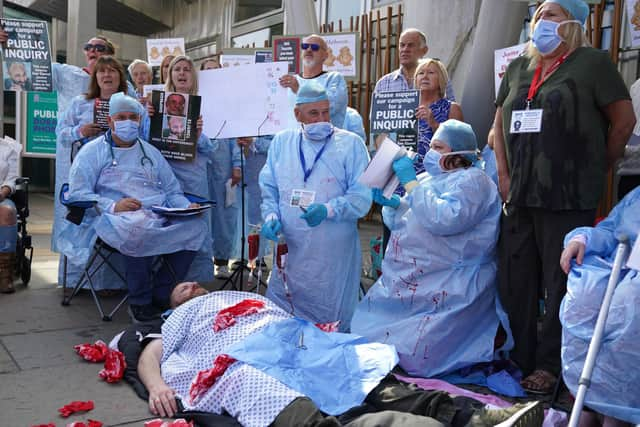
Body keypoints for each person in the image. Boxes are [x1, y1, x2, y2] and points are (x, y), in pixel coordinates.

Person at [137, 285, 543, 427]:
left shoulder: (244, 297)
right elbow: (150, 355)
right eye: (180, 290)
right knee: (264, 392)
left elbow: (286, 318)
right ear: (173, 306)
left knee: (362, 375)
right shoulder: (182, 320)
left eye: (192, 284)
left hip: (287, 338)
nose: (188, 286)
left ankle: (477, 417)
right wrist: (156, 386)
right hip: (240, 359)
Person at [493, 0, 636, 394]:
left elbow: (624, 122)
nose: (541, 21)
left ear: (572, 22)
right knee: (516, 281)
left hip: (568, 196)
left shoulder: (592, 63)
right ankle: (519, 356)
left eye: (551, 14)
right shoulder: (521, 66)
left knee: (561, 284)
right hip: (519, 194)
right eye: (538, 15)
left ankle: (550, 365)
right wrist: (503, 175)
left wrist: (594, 166)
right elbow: (498, 123)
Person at [351, 119, 512, 378]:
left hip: (452, 281)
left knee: (418, 353)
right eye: (432, 145)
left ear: (458, 154)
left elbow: (444, 218)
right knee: (369, 332)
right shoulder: (430, 178)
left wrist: (412, 186)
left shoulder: (475, 181)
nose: (431, 153)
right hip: (420, 275)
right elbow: (412, 213)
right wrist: (393, 206)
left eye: (439, 146)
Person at [63, 93, 207, 322]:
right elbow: (77, 191)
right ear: (110, 121)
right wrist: (113, 205)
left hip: (156, 211)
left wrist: (186, 206)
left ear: (140, 121)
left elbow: (172, 191)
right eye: (122, 117)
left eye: (133, 117)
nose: (128, 122)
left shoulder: (150, 152)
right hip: (115, 217)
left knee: (196, 226)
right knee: (137, 229)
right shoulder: (92, 152)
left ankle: (162, 293)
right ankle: (140, 301)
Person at [259, 82, 371, 330]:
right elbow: (270, 188)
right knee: (284, 319)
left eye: (325, 112)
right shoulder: (282, 143)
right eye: (313, 113)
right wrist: (270, 217)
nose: (322, 119)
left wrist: (329, 210)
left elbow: (362, 197)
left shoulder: (350, 144)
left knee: (329, 321)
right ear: (297, 114)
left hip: (331, 252)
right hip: (293, 246)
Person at [55, 56, 138, 293]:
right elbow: (60, 134)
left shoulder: (129, 106)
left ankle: (116, 284)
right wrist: (79, 130)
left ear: (120, 77)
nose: (107, 75)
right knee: (83, 222)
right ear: (96, 77)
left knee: (119, 219)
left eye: (112, 71)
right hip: (87, 174)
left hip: (120, 175)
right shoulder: (80, 103)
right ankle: (76, 280)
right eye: (102, 71)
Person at [559, 186, 640, 426]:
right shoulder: (637, 195)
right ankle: (589, 401)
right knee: (585, 295)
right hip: (619, 268)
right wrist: (582, 239)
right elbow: (611, 228)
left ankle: (618, 412)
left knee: (630, 304)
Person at [144, 55, 217, 283]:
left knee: (197, 226)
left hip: (194, 177)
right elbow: (144, 143)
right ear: (169, 74)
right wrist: (149, 120)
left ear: (193, 75)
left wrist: (197, 135)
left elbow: (213, 147)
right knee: (165, 226)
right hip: (164, 175)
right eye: (177, 69)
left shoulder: (206, 105)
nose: (182, 73)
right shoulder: (155, 106)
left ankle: (196, 284)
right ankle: (165, 284)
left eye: (187, 69)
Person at [279, 34, 348, 127]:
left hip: (324, 140)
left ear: (325, 55)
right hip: (291, 140)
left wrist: (299, 90)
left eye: (315, 47)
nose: (309, 50)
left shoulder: (334, 78)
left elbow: (330, 107)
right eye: (305, 46)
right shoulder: (289, 81)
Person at [412, 58, 463, 180]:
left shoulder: (452, 108)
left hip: (437, 176)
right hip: (405, 173)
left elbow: (458, 148)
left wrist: (434, 123)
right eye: (421, 73)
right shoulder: (406, 107)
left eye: (430, 73)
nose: (424, 76)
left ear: (441, 79)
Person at [373, 28, 455, 100]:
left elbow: (451, 113)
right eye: (402, 45)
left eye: (410, 45)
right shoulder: (383, 84)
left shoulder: (440, 80)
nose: (405, 49)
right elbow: (375, 116)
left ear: (424, 50)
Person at [208, 138, 242, 279]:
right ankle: (197, 263)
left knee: (224, 219)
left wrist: (237, 165)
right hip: (196, 169)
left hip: (223, 171)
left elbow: (235, 137)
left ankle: (222, 262)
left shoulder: (226, 117)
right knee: (196, 217)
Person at [0, 137, 20, 293]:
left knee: (7, 211)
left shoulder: (9, 147)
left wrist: (2, 193)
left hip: (1, 197)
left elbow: (11, 180)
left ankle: (5, 273)